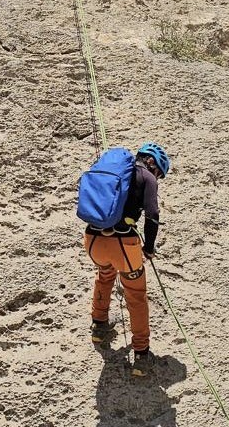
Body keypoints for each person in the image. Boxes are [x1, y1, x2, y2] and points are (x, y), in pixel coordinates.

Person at [84, 142, 170, 377]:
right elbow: (152, 215)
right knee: (135, 295)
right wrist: (149, 248)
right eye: (159, 173)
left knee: (104, 276)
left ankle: (99, 326)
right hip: (122, 244)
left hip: (92, 240)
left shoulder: (112, 171)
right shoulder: (147, 177)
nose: (157, 178)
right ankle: (141, 355)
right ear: (151, 162)